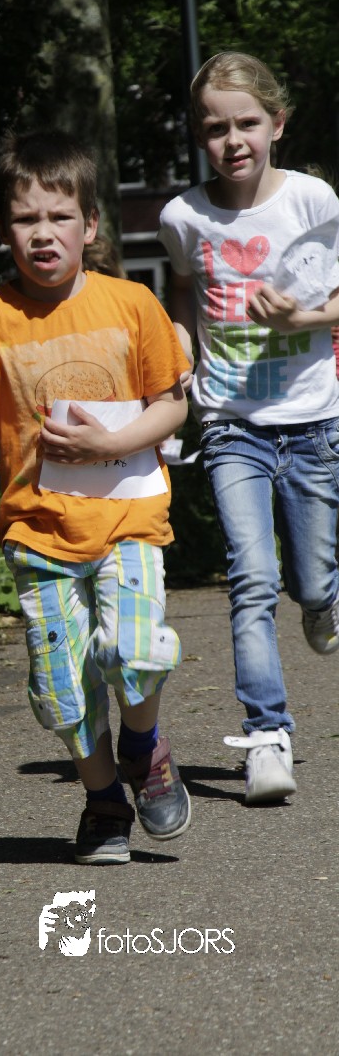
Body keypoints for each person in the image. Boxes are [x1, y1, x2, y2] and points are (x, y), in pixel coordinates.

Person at [0, 129, 191, 865]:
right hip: (36, 532)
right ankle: (105, 800)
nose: (43, 233)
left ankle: (144, 747)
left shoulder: (132, 304)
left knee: (135, 651)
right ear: (3, 228)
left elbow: (171, 406)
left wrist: (108, 445)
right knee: (61, 687)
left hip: (128, 517)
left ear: (91, 226)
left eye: (59, 217)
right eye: (26, 219)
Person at [158, 51, 339, 806]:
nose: (232, 140)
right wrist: (177, 351)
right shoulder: (183, 217)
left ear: (277, 124)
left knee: (311, 580)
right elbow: (181, 291)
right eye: (215, 128)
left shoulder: (313, 200)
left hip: (313, 421)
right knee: (252, 578)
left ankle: (324, 601)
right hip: (231, 423)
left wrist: (302, 317)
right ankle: (268, 736)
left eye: (247, 123)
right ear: (199, 135)